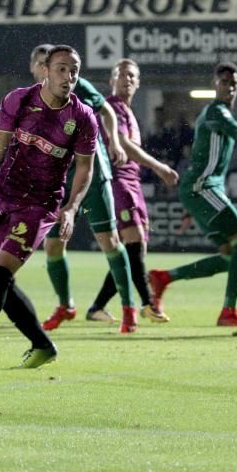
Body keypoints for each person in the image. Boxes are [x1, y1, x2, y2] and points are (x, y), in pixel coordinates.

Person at [0, 45, 98, 373]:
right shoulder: (18, 101)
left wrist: (70, 209)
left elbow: (85, 168)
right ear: (46, 70)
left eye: (74, 71)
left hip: (39, 206)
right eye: (62, 69)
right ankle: (42, 344)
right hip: (5, 197)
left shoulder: (81, 117)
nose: (69, 77)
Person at [148, 62, 237, 328]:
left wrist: (189, 206)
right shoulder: (216, 112)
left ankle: (164, 278)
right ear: (214, 84)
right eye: (224, 81)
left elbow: (201, 153)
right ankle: (228, 312)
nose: (229, 86)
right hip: (202, 188)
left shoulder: (219, 113)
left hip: (201, 189)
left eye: (233, 83)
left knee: (231, 254)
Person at [28, 45, 139, 333]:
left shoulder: (79, 88)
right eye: (45, 64)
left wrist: (113, 141)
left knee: (109, 241)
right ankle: (66, 305)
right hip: (60, 182)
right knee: (52, 245)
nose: (57, 71)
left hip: (93, 174)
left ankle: (129, 309)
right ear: (37, 70)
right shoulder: (32, 101)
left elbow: (107, 112)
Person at [82, 59, 179, 322]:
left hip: (132, 182)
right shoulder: (112, 107)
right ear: (112, 79)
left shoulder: (127, 110)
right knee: (133, 243)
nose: (127, 79)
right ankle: (148, 303)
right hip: (118, 180)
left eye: (132, 76)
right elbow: (122, 143)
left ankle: (97, 307)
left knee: (131, 250)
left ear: (138, 82)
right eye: (122, 75)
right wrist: (159, 167)